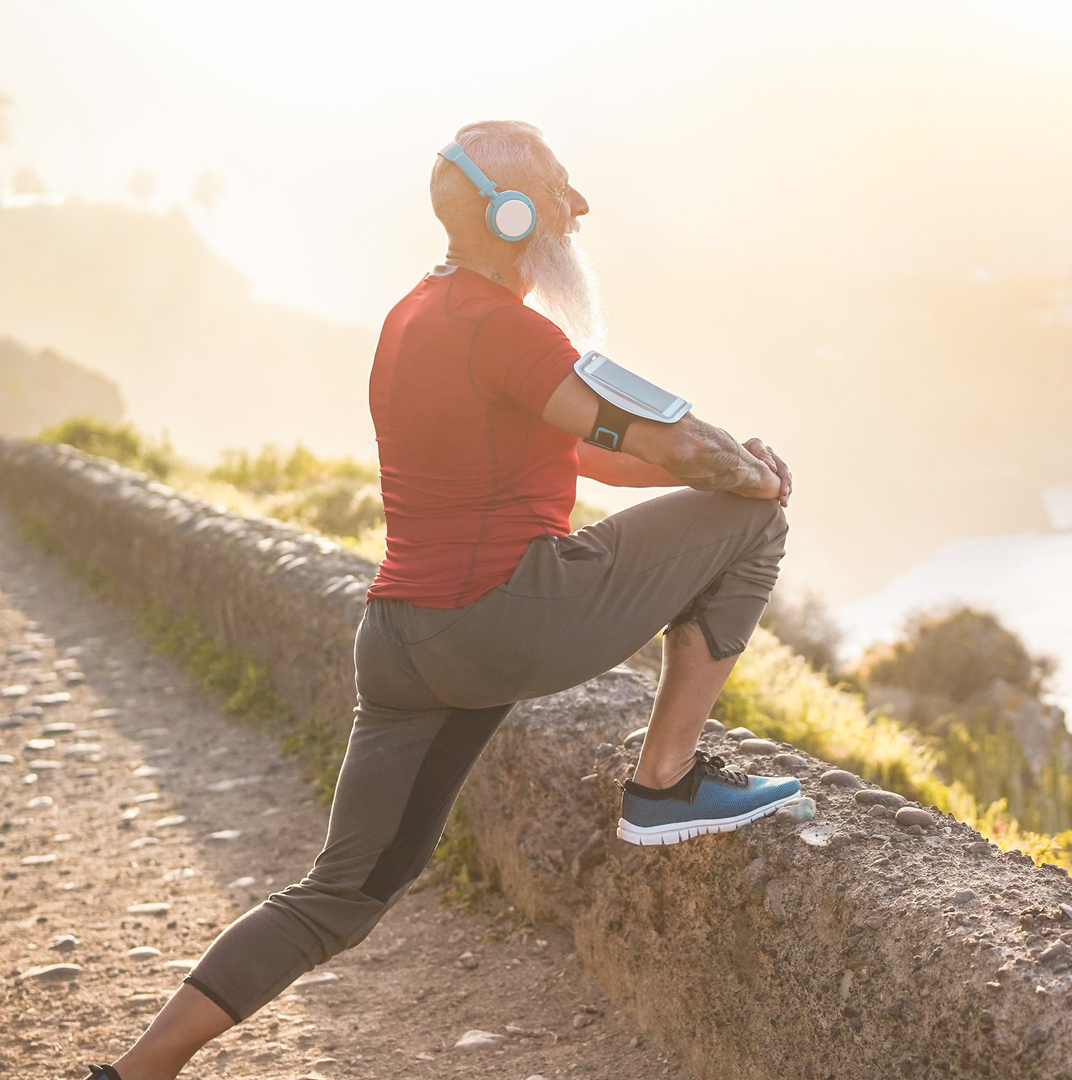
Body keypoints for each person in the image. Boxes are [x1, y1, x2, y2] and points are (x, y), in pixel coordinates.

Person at [82, 120, 799, 1080]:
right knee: (753, 531)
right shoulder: (509, 328)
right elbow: (668, 441)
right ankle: (665, 784)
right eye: (557, 189)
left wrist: (722, 469)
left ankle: (131, 1074)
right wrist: (751, 477)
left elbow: (586, 454)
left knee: (341, 894)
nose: (577, 208)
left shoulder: (416, 314)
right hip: (502, 618)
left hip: (401, 639)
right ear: (508, 212)